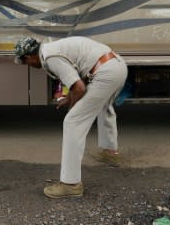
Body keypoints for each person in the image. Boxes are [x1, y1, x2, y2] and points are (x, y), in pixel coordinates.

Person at [13, 35, 128, 199]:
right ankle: (110, 153)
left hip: (105, 72)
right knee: (103, 105)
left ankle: (70, 184)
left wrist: (73, 108)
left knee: (72, 122)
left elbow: (79, 88)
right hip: (117, 66)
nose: (28, 66)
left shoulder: (50, 57)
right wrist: (70, 98)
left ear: (29, 56)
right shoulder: (51, 49)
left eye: (25, 62)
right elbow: (78, 79)